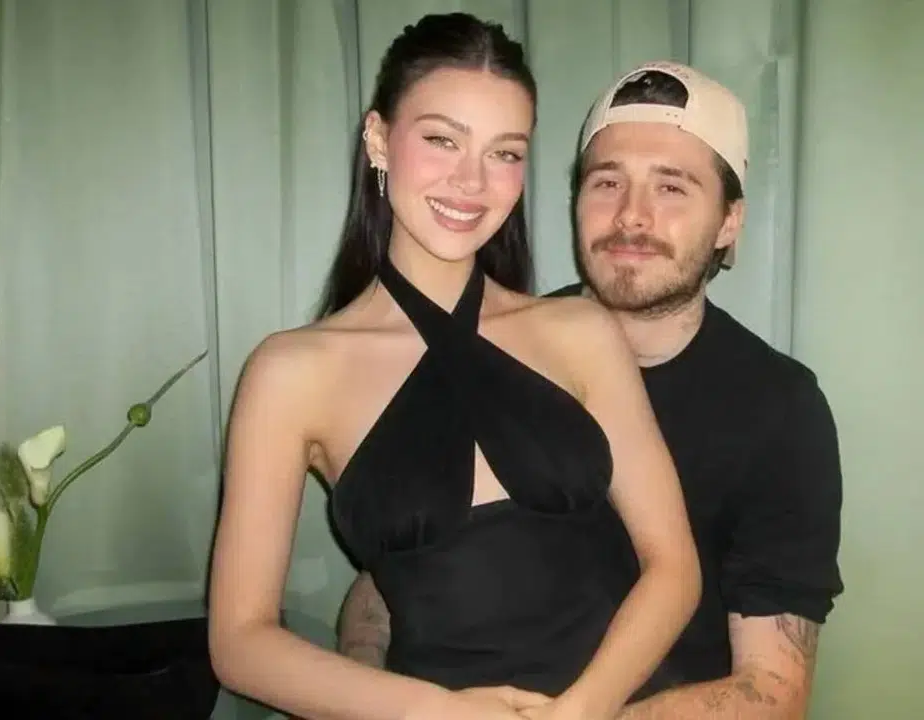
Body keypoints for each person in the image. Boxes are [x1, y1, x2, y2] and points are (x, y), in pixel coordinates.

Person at [208, 15, 702, 720]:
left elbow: (674, 567)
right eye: (442, 140)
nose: (472, 181)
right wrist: (435, 712)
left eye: (505, 153)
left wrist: (583, 709)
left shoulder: (580, 332)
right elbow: (240, 642)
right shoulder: (291, 372)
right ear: (378, 139)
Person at [337, 61, 845, 719]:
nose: (632, 216)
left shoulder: (777, 408)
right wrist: (365, 688)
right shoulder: (481, 345)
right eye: (607, 182)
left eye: (672, 187)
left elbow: (772, 692)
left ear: (729, 221)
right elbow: (398, 567)